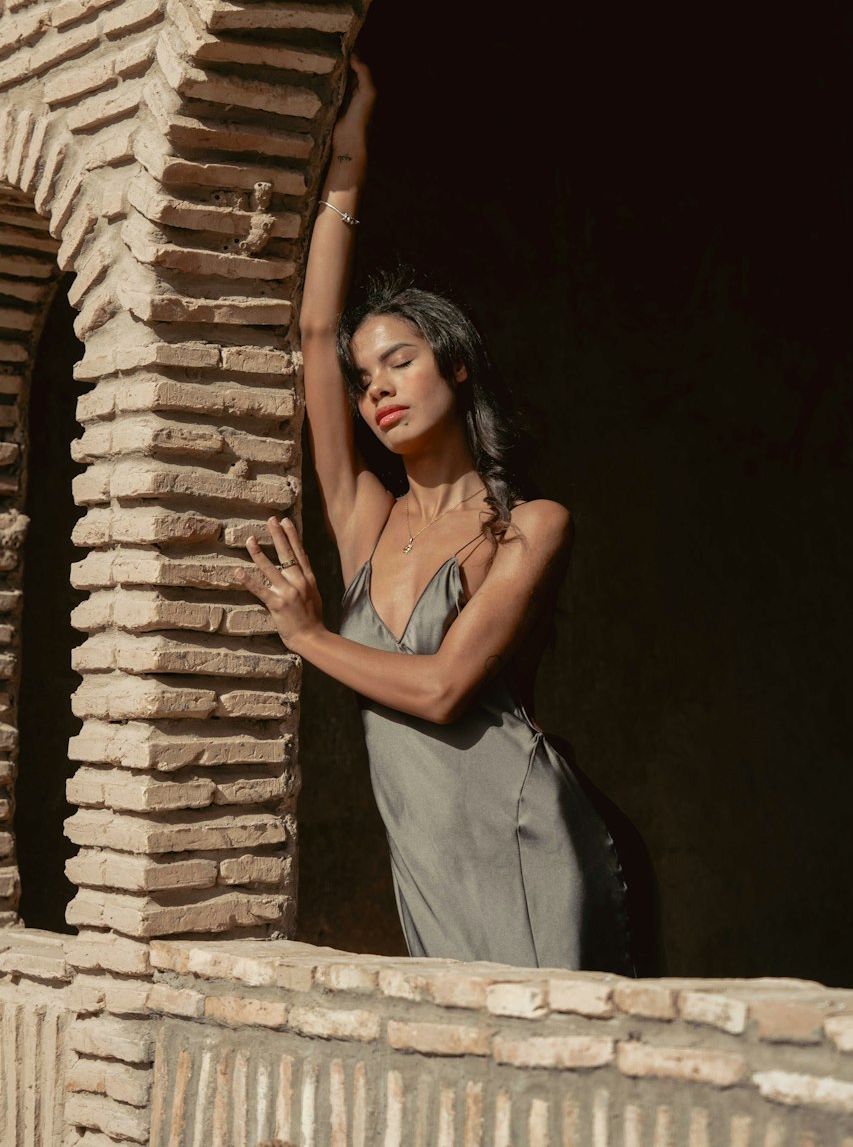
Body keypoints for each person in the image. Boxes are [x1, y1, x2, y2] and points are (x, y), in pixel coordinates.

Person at [235, 57, 633, 972]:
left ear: (455, 367)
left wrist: (307, 636)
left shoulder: (529, 526)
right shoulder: (364, 520)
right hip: (426, 860)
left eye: (401, 363)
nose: (377, 390)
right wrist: (346, 163)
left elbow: (447, 688)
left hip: (531, 843)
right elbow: (309, 343)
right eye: (366, 380)